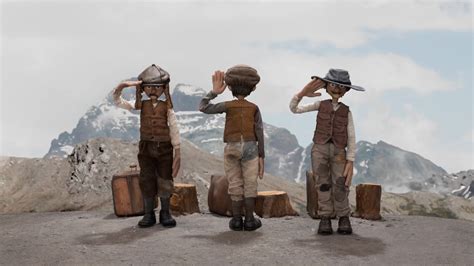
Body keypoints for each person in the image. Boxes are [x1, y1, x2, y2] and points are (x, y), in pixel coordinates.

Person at [289, 68, 365, 235]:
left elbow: (351, 136)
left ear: (346, 90)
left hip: (339, 151)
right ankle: (325, 218)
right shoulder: (320, 105)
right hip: (319, 149)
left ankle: (343, 216)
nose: (336, 89)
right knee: (322, 184)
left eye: (341, 86)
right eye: (333, 84)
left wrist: (350, 159)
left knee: (341, 183)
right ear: (326, 86)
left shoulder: (347, 111)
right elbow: (295, 109)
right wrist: (302, 93)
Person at [113, 64, 181, 228]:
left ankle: (165, 213)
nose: (152, 90)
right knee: (146, 179)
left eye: (157, 87)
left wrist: (177, 151)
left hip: (165, 148)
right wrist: (120, 88)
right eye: (149, 86)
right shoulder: (141, 105)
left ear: (164, 89)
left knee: (165, 179)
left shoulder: (167, 109)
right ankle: (148, 214)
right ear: (142, 88)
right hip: (146, 148)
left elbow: (174, 127)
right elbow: (119, 102)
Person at [199, 65, 265, 231]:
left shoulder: (228, 106)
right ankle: (249, 220)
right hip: (251, 147)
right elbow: (259, 131)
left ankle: (236, 220)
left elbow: (203, 107)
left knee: (234, 182)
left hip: (232, 146)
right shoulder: (254, 108)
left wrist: (214, 92)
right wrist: (261, 155)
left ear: (229, 87)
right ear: (254, 88)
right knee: (250, 183)